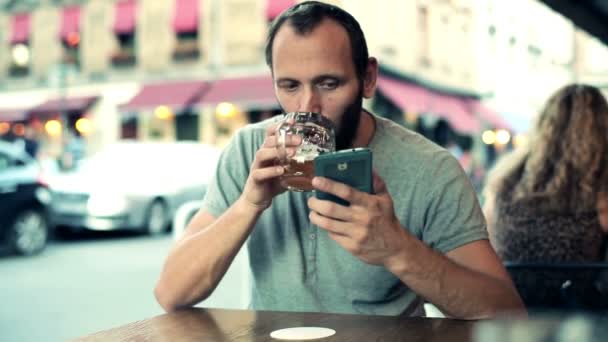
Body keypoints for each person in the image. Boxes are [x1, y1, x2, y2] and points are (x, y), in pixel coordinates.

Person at [155, 1, 524, 318]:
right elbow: (171, 292)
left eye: (328, 84)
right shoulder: (249, 149)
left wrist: (399, 250)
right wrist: (250, 203)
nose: (307, 107)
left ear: (367, 79)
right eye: (289, 86)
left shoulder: (431, 170)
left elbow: (506, 310)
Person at [483, 84, 608, 307]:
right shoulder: (599, 186)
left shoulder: (505, 181)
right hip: (577, 316)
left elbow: (486, 241)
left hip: (509, 309)